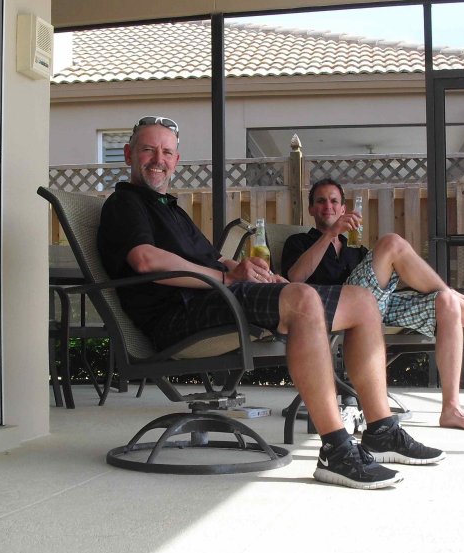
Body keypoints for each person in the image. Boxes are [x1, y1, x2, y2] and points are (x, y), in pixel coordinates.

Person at [97, 116, 445, 490]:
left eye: (166, 152)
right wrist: (227, 278)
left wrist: (247, 271)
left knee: (363, 302)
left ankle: (381, 430)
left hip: (213, 298)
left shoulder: (171, 208)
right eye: (148, 150)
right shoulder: (125, 203)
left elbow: (213, 259)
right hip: (177, 313)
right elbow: (145, 260)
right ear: (129, 154)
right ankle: (336, 449)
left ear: (176, 160)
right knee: (303, 298)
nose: (158, 160)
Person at [281, 178, 464, 433]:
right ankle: (456, 296)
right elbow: (295, 278)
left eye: (334, 201)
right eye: (321, 201)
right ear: (311, 208)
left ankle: (451, 409)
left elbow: (382, 287)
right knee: (391, 242)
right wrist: (330, 234)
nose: (328, 206)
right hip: (330, 308)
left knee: (446, 304)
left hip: (374, 308)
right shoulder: (298, 242)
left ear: (343, 209)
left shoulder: (355, 249)